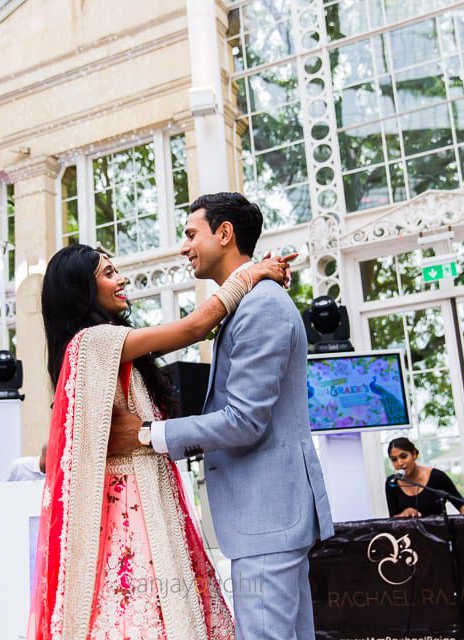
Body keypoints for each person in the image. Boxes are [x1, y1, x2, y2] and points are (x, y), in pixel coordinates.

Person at [28, 241, 289, 639]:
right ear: (81, 289)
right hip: (130, 507)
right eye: (108, 272)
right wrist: (249, 275)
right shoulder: (92, 341)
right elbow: (194, 327)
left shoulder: (99, 345)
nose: (122, 278)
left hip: (147, 491)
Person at [109, 192, 335, 640]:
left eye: (191, 233)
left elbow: (243, 421)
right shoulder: (248, 302)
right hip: (269, 515)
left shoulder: (261, 305)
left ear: (225, 233)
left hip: (269, 516)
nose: (184, 246)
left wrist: (149, 434)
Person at [385, 437, 464, 518]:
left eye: (403, 456)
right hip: (408, 534)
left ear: (414, 454)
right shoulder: (392, 483)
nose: (400, 463)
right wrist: (403, 514)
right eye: (394, 459)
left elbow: (463, 506)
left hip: (438, 533)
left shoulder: (436, 476)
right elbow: (392, 519)